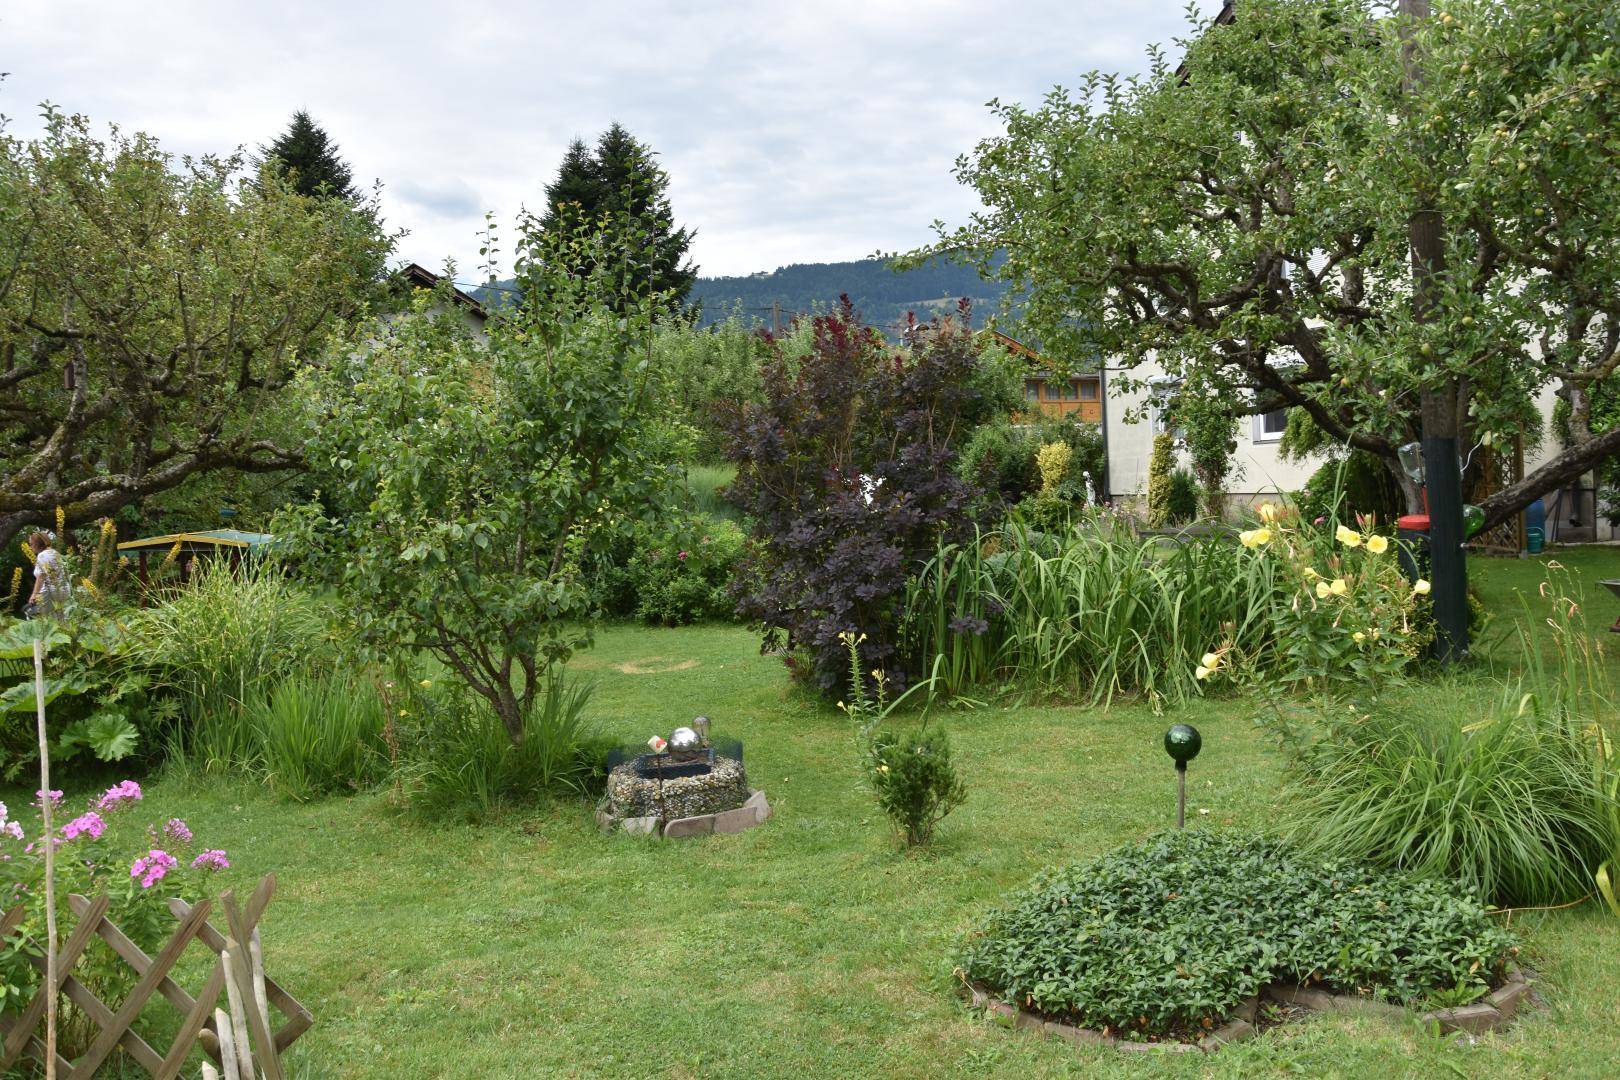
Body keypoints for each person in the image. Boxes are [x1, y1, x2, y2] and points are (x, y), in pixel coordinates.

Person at [24, 531, 68, 618]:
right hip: (64, 588)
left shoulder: (42, 555)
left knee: (48, 619)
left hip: (50, 592)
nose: (30, 547)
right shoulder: (55, 553)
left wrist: (34, 594)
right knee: (63, 617)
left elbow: (41, 577)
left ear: (37, 544)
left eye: (31, 544)